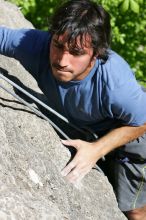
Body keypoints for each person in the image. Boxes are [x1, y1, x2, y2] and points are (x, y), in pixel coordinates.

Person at [0, 0, 146, 219]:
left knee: (133, 209)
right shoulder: (35, 45)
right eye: (58, 45)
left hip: (132, 131)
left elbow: (142, 121)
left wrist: (96, 149)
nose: (61, 60)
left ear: (96, 54)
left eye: (76, 52)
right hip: (91, 124)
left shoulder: (115, 84)